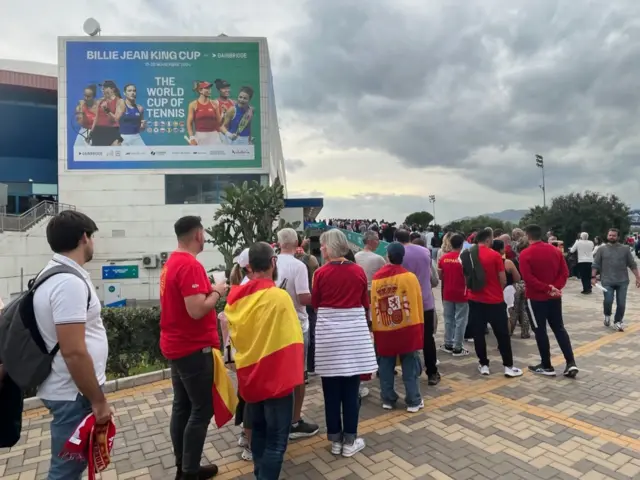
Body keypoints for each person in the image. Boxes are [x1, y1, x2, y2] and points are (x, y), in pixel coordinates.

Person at [32, 211, 110, 480]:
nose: (93, 244)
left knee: (71, 468)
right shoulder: (68, 283)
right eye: (92, 237)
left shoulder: (53, 274)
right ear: (84, 238)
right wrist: (98, 401)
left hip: (69, 389)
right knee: (66, 470)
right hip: (73, 393)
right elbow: (73, 351)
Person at [225, 242, 304, 479]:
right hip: (276, 380)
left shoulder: (235, 299)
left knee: (257, 435)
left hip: (250, 379)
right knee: (276, 442)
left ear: (248, 267)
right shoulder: (278, 297)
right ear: (273, 262)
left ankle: (260, 474)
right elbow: (294, 339)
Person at [160, 216, 228, 480]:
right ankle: (189, 471)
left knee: (183, 407)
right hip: (193, 348)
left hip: (177, 346)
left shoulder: (172, 262)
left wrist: (207, 290)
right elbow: (197, 309)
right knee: (201, 409)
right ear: (198, 235)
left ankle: (183, 466)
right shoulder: (189, 265)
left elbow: (187, 301)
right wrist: (218, 292)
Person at [313, 229, 377, 457]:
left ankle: (335, 441)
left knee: (330, 392)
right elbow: (364, 303)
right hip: (353, 338)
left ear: (329, 246)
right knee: (351, 391)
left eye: (322, 245)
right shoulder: (358, 271)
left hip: (329, 339)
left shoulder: (320, 274)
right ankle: (350, 440)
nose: (321, 249)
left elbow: (316, 303)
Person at [460, 228, 523, 378]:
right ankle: (508, 366)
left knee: (479, 333)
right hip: (494, 300)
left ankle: (484, 364)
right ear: (488, 240)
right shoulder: (495, 255)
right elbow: (502, 278)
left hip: (475, 299)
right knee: (502, 334)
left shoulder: (467, 255)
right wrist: (497, 290)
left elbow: (466, 278)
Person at [276, 228, 319, 439]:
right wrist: (318, 296)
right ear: (296, 242)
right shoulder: (299, 266)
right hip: (297, 326)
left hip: (275, 327)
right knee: (298, 375)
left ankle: (277, 418)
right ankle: (294, 421)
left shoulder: (271, 262)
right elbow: (303, 298)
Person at [519, 225, 579, 378]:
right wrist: (555, 287)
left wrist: (547, 288)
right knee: (559, 328)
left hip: (536, 298)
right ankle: (570, 362)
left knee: (540, 330)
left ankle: (546, 364)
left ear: (527, 236)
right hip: (554, 297)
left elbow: (528, 278)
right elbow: (565, 272)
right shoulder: (555, 251)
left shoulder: (525, 254)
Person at [371, 242, 424, 412]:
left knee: (386, 364)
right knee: (410, 363)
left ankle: (388, 399)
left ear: (388, 256)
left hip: (385, 328)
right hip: (407, 327)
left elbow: (375, 304)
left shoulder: (377, 278)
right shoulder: (410, 277)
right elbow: (417, 302)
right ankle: (413, 400)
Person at [395, 230, 440, 385]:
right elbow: (431, 275)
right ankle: (432, 373)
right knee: (428, 338)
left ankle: (411, 370)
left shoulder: (397, 254)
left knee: (406, 338)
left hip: (406, 303)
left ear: (396, 240)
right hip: (425, 301)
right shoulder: (424, 252)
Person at [592, 228, 640, 332]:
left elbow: (632, 264)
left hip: (622, 281)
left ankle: (618, 321)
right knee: (608, 300)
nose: (611, 237)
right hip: (607, 280)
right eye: (610, 235)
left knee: (621, 303)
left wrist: (638, 277)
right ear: (607, 236)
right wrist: (593, 277)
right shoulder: (601, 249)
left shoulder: (625, 249)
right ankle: (607, 315)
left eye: (614, 235)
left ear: (618, 237)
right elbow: (595, 264)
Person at [438, 234, 469, 356]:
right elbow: (467, 277)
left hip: (447, 292)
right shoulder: (464, 259)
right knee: (461, 320)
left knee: (448, 318)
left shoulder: (443, 258)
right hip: (462, 293)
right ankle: (457, 347)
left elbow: (441, 276)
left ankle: (448, 343)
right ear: (462, 244)